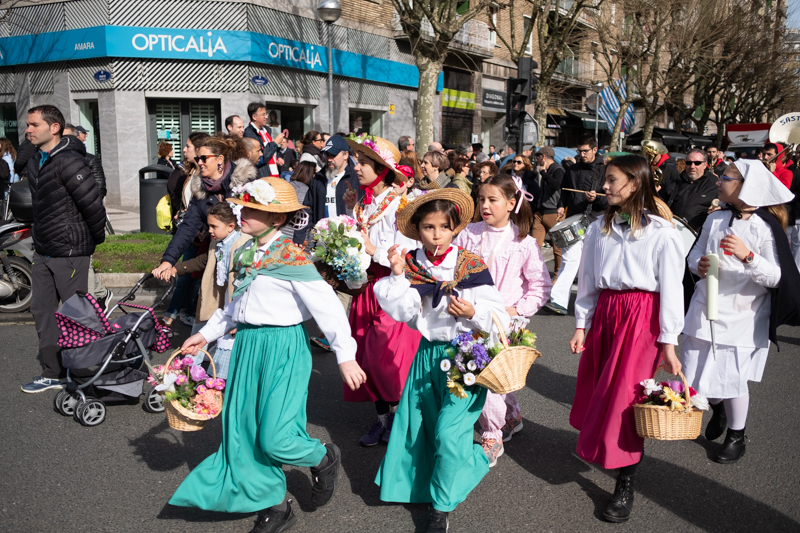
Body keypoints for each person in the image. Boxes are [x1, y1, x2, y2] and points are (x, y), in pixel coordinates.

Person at [173, 177, 366, 532]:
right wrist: (204, 334)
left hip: (282, 347)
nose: (242, 213)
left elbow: (328, 308)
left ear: (277, 219)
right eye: (243, 207)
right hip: (247, 345)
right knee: (244, 432)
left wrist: (345, 355)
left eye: (252, 209)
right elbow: (235, 307)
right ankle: (275, 506)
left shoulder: (291, 257)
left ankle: (322, 457)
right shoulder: (245, 251)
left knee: (276, 437)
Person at [374, 189, 510, 533]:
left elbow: (500, 317)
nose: (437, 234)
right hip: (427, 357)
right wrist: (397, 275)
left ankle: (441, 507)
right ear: (418, 230)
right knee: (422, 429)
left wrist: (473, 312)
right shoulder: (412, 264)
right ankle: (428, 487)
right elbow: (402, 312)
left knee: (450, 434)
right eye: (429, 227)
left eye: (444, 227)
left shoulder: (469, 264)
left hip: (466, 356)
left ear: (454, 229)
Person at [568, 155, 685, 523]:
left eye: (612, 180)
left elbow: (672, 290)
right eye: (605, 179)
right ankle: (608, 451)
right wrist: (581, 324)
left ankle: (626, 481)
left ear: (635, 184)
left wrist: (669, 342)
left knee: (627, 398)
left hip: (641, 318)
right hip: (607, 311)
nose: (605, 186)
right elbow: (588, 280)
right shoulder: (598, 228)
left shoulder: (663, 233)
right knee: (600, 389)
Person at [682, 160, 798, 465]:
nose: (718, 181)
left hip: (744, 312)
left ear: (745, 186)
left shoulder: (765, 226)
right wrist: (699, 265)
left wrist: (748, 256)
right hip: (706, 304)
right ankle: (718, 406)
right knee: (696, 367)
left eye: (725, 178)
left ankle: (736, 435)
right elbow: (694, 255)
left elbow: (778, 277)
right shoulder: (715, 219)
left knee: (731, 375)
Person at [453, 174, 551, 467]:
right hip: (469, 316)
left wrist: (517, 310)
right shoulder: (468, 234)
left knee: (487, 377)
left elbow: (540, 286)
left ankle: (492, 434)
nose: (485, 205)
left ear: (511, 204)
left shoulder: (523, 242)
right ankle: (511, 414)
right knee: (491, 376)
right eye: (481, 199)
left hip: (502, 322)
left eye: (492, 200)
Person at [339, 136, 422, 447]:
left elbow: (408, 251)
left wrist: (373, 250)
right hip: (365, 288)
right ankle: (383, 419)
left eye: (363, 163)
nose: (357, 167)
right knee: (364, 355)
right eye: (357, 161)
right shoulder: (363, 202)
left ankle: (400, 418)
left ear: (382, 170)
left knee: (386, 359)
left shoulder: (399, 205)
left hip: (391, 288)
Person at [22, 105, 106, 393]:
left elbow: (93, 205)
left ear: (54, 127)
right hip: (43, 249)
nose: (28, 130)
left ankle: (81, 374)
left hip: (70, 251)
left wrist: (90, 242)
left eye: (34, 125)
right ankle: (54, 373)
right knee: (41, 311)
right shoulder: (36, 160)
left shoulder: (69, 161)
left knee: (74, 315)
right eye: (27, 124)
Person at [153, 202, 249, 379]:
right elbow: (203, 260)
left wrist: (237, 319)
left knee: (226, 344)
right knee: (199, 331)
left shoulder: (241, 244)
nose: (209, 230)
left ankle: (215, 379)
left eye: (214, 226)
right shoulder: (217, 242)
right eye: (209, 225)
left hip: (232, 301)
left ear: (230, 226)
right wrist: (176, 269)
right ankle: (187, 373)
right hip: (214, 297)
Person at [152, 134, 258, 284]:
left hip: (247, 256)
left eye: (204, 158)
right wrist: (168, 261)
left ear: (219, 159)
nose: (199, 163)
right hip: (216, 256)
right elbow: (188, 227)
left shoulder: (246, 183)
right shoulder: (200, 190)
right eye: (197, 158)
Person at [546, 134, 607, 315]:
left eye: (585, 151)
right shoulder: (572, 170)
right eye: (579, 151)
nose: (582, 154)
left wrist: (597, 198)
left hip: (597, 221)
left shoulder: (605, 170)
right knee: (568, 260)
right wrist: (561, 205)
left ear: (595, 150)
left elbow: (610, 199)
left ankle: (597, 304)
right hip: (574, 220)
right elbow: (565, 192)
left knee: (596, 264)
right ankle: (558, 301)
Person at [659, 149, 718, 232]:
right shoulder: (673, 183)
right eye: (689, 163)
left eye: (697, 163)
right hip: (671, 231)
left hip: (697, 235)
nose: (692, 166)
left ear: (705, 165)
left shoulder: (714, 186)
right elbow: (658, 205)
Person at [533, 147, 564, 276]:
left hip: (553, 213)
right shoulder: (543, 169)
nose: (537, 159)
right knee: (533, 245)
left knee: (558, 247)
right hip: (540, 213)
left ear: (544, 156)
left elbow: (557, 185)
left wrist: (544, 174)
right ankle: (534, 274)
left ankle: (558, 275)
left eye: (538, 157)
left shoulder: (558, 170)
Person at [243, 102, 284, 177]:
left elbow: (269, 151)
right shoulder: (248, 133)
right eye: (263, 114)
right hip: (262, 176)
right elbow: (259, 158)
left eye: (266, 114)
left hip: (274, 174)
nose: (266, 117)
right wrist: (275, 143)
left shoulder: (267, 130)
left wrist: (277, 157)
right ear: (254, 117)